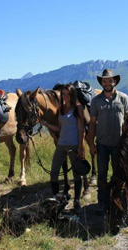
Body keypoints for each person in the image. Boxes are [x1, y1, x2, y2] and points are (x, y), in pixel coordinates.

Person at [86, 69, 128, 214]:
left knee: (119, 175)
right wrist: (91, 143)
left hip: (119, 144)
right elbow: (92, 123)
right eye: (104, 81)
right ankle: (102, 203)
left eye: (110, 80)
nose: (107, 83)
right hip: (102, 144)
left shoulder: (123, 98)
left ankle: (119, 202)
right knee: (102, 175)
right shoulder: (96, 101)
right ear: (101, 83)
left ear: (115, 81)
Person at [40, 84, 85, 214]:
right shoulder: (61, 109)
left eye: (68, 94)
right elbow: (60, 128)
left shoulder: (78, 108)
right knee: (54, 173)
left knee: (77, 175)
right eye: (63, 94)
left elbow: (81, 129)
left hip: (73, 145)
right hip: (61, 144)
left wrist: (81, 146)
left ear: (72, 95)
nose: (65, 97)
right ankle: (55, 201)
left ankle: (77, 202)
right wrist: (45, 124)